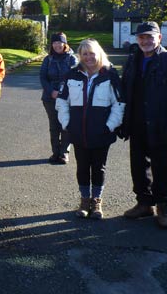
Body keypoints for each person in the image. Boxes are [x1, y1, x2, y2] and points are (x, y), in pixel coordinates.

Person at [121, 21, 167, 229]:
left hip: (162, 123)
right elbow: (125, 90)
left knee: (163, 166)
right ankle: (144, 203)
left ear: (159, 38)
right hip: (137, 122)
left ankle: (163, 206)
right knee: (138, 165)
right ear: (137, 40)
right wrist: (122, 120)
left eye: (150, 37)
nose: (146, 41)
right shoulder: (133, 60)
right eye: (142, 37)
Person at [56, 39, 124, 219]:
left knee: (99, 168)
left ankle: (96, 200)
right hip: (78, 132)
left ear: (99, 53)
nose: (88, 57)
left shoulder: (110, 75)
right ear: (80, 56)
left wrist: (110, 125)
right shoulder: (72, 75)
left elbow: (119, 104)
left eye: (91, 53)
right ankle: (85, 200)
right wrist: (66, 123)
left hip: (101, 133)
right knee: (82, 167)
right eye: (84, 54)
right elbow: (62, 101)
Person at [39, 32, 78, 164]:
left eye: (60, 42)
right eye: (54, 43)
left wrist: (62, 92)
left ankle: (64, 153)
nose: (57, 45)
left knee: (65, 124)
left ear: (65, 44)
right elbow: (43, 77)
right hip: (49, 97)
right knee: (54, 125)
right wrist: (51, 91)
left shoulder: (72, 59)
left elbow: (75, 76)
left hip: (67, 98)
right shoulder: (47, 59)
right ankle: (55, 152)